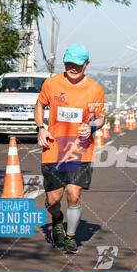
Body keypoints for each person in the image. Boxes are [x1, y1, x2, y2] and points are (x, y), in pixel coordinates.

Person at [34, 44, 105, 254]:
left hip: (80, 149)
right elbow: (40, 105)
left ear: (87, 64)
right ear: (64, 62)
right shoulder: (51, 84)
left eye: (78, 65)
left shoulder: (94, 89)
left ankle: (71, 238)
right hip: (54, 148)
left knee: (73, 194)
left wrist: (92, 126)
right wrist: (40, 128)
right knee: (52, 199)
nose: (73, 68)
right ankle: (57, 218)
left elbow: (101, 118)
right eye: (69, 64)